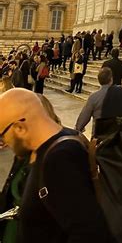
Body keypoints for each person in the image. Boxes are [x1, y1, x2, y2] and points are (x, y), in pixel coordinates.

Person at [0, 88, 114, 242]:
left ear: (20, 128)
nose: (4, 142)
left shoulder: (60, 159)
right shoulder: (32, 151)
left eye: (2, 135)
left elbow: (90, 234)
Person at [76, 67, 122, 135]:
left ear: (99, 80)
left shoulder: (94, 97)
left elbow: (84, 118)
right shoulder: (121, 92)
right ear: (111, 79)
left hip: (101, 135)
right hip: (120, 136)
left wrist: (78, 129)